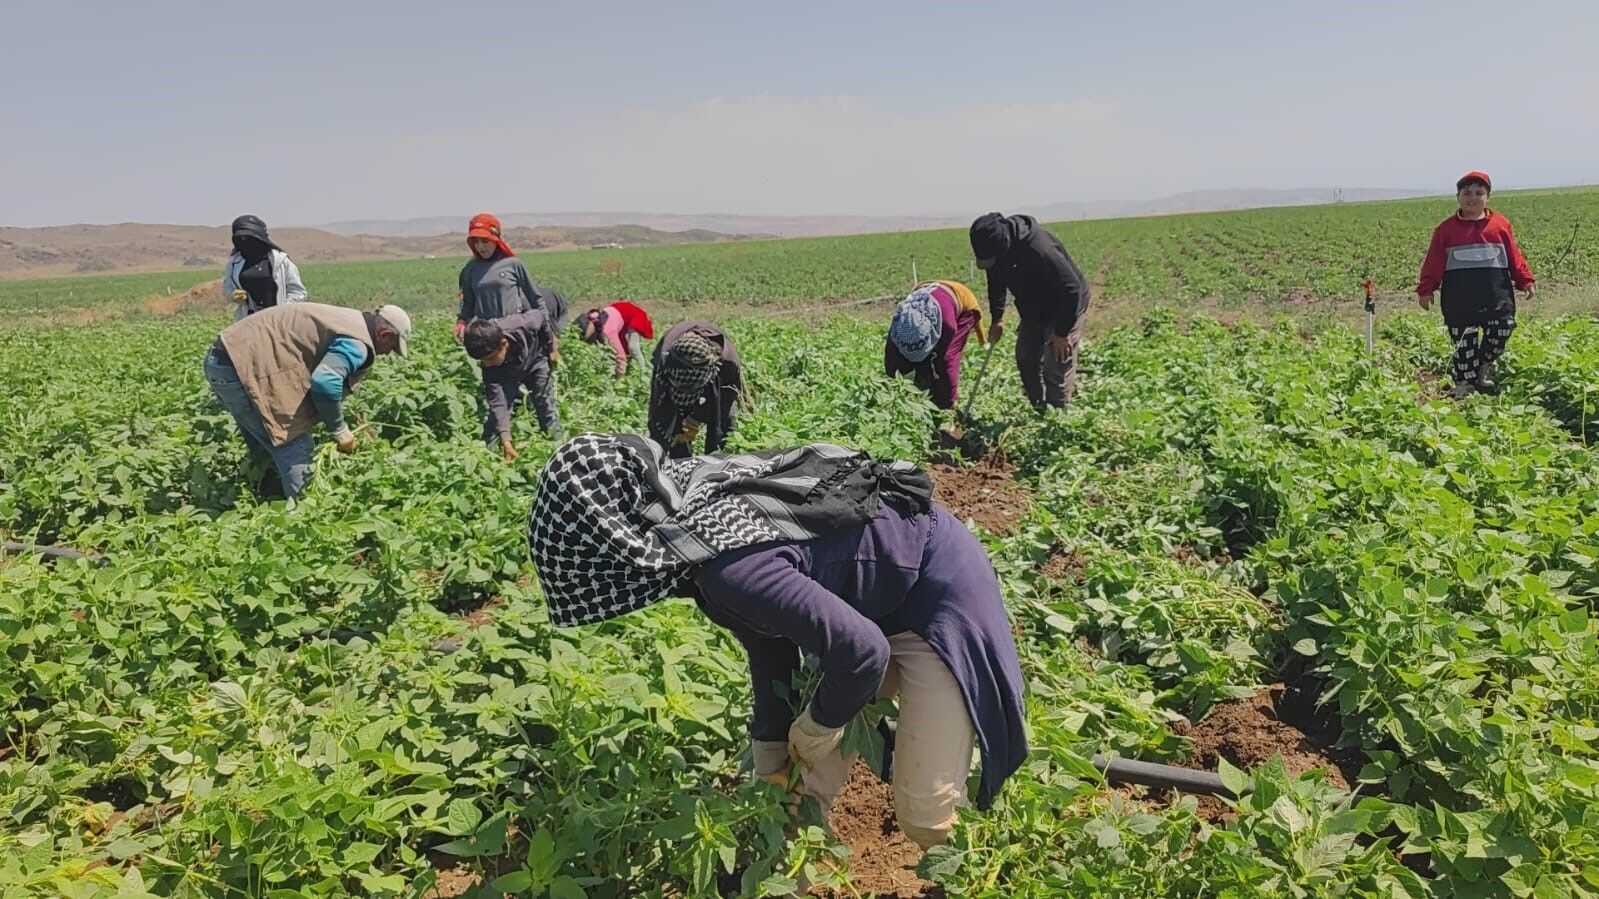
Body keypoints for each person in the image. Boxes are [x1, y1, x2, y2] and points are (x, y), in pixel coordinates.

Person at [527, 434, 1028, 850]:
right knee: (798, 787)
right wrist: (771, 750)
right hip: (871, 610)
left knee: (925, 813)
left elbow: (863, 655)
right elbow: (769, 643)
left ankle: (982, 873)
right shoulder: (696, 540)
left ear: (615, 550)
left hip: (935, 593)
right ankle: (805, 867)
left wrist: (817, 725)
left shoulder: (725, 564)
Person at [203, 302, 411, 498]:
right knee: (295, 447)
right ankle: (305, 518)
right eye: (391, 348)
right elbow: (325, 381)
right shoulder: (357, 344)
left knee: (264, 443)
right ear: (384, 335)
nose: (386, 354)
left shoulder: (348, 319)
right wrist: (339, 429)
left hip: (224, 359)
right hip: (240, 368)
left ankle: (265, 495)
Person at [1416, 171, 1535, 398]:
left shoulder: (1500, 226)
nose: (1472, 197)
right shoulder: (1445, 230)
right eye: (1467, 192)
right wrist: (1426, 289)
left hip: (1496, 295)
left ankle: (1481, 366)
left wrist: (1525, 279)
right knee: (1464, 344)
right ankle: (1464, 385)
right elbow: (1433, 262)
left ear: (1487, 196)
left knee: (1503, 329)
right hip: (1459, 299)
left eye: (1479, 193)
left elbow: (1514, 256)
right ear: (1458, 196)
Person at [968, 212, 1091, 411]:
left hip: (1064, 305)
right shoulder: (997, 252)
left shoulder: (1041, 249)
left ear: (1003, 245)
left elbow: (1072, 289)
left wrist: (1061, 333)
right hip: (1034, 308)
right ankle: (1039, 409)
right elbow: (996, 281)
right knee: (1026, 358)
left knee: (1056, 363)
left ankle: (1057, 419)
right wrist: (997, 318)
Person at [462, 311, 561, 460]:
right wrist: (507, 441)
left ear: (504, 344)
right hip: (506, 372)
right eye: (483, 361)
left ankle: (559, 452)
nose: (487, 365)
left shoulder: (522, 324)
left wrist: (551, 348)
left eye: (490, 358)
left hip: (536, 362)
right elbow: (498, 404)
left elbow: (540, 316)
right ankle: (488, 457)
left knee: (545, 405)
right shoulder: (490, 366)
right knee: (495, 419)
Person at [455, 212, 569, 340]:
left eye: (485, 241)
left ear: (496, 239)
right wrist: (461, 322)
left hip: (514, 333)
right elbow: (468, 304)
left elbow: (536, 300)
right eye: (476, 242)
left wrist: (548, 335)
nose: (480, 246)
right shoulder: (471, 269)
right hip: (487, 337)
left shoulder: (513, 265)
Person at [648, 321, 748, 457]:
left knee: (724, 421)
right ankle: (675, 460)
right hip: (671, 364)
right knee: (671, 424)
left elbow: (725, 403)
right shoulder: (666, 361)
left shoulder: (728, 363)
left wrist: (696, 418)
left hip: (715, 375)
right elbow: (659, 410)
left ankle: (720, 458)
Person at [884, 280, 988, 411]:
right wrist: (891, 388)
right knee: (908, 361)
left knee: (944, 360)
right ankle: (924, 379)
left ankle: (945, 405)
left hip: (961, 302)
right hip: (930, 291)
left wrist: (946, 405)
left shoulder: (947, 325)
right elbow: (891, 359)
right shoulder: (901, 322)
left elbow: (948, 361)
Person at [221, 215, 307, 321]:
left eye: (249, 238)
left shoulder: (281, 261)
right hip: (248, 321)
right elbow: (227, 289)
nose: (245, 242)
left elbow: (298, 292)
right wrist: (234, 296)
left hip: (279, 320)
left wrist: (284, 311)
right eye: (241, 239)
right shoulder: (234, 263)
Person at [579, 302, 655, 378]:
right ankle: (631, 367)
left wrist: (618, 381)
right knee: (618, 348)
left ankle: (643, 372)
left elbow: (621, 357)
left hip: (634, 314)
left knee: (633, 348)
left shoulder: (607, 332)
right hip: (618, 310)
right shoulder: (588, 318)